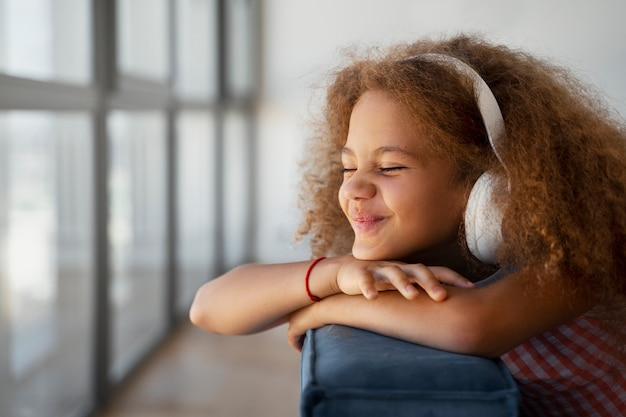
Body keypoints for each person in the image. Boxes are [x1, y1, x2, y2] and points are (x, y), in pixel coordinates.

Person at [190, 34, 626, 416]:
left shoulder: (579, 247)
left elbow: (472, 326)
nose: (354, 188)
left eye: (391, 167)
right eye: (348, 167)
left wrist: (321, 307)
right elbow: (209, 306)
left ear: (492, 187)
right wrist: (330, 274)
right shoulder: (395, 257)